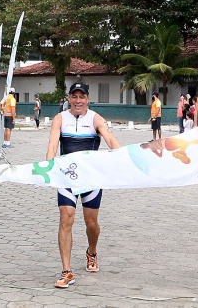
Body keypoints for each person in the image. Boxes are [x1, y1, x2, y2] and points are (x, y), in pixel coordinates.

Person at [46, 83, 121, 289]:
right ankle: (66, 271)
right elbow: (53, 146)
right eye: (74, 96)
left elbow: (110, 139)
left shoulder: (95, 119)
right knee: (66, 218)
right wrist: (48, 167)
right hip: (67, 177)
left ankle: (92, 252)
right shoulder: (60, 119)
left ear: (88, 99)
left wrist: (124, 157)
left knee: (91, 225)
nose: (78, 100)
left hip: (91, 179)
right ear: (69, 98)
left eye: (82, 97)